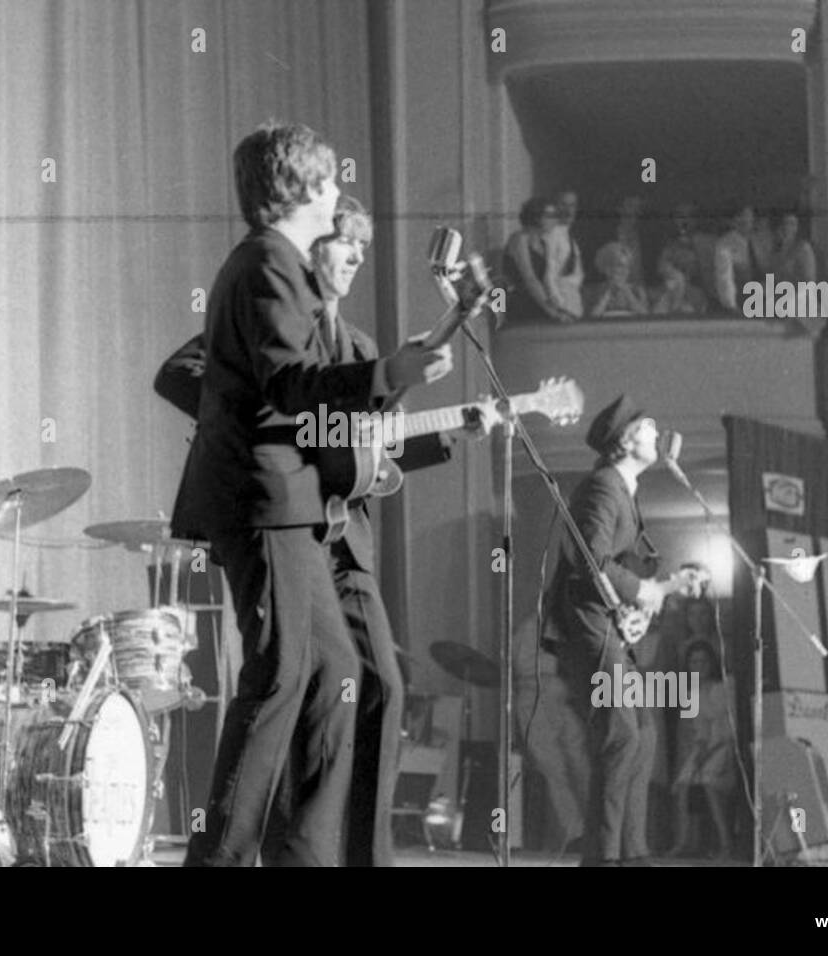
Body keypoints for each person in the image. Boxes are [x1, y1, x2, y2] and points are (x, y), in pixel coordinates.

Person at [157, 194, 475, 866]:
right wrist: (261, 423)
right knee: (292, 682)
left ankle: (345, 851)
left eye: (364, 246)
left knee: (373, 684)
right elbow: (183, 375)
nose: (358, 256)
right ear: (311, 251)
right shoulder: (270, 314)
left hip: (335, 529)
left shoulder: (355, 344)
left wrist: (446, 434)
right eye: (345, 242)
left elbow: (365, 455)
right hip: (279, 515)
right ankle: (275, 849)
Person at [543, 395, 686, 866]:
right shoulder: (605, 486)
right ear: (626, 441)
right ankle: (603, 857)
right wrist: (644, 592)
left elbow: (616, 565)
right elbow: (591, 560)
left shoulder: (623, 488)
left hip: (607, 626)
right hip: (589, 627)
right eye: (648, 426)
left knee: (640, 735)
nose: (655, 431)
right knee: (622, 736)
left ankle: (631, 852)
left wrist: (647, 598)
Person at [669, 639, 737, 860]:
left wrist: (707, 753)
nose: (699, 666)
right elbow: (701, 730)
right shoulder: (691, 692)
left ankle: (726, 845)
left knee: (708, 781)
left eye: (703, 661)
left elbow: (729, 726)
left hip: (726, 745)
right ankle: (686, 841)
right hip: (706, 747)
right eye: (694, 662)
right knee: (683, 782)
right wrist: (698, 755)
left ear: (712, 662)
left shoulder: (726, 685)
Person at [502, 197, 572, 324]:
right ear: (536, 217)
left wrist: (555, 305)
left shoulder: (544, 244)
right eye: (549, 216)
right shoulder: (519, 239)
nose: (555, 221)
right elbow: (529, 278)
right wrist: (550, 311)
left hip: (538, 299)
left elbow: (546, 279)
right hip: (520, 301)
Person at [712, 200, 772, 313]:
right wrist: (731, 306)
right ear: (733, 220)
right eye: (740, 216)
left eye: (748, 216)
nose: (745, 220)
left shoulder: (762, 241)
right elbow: (724, 277)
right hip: (743, 302)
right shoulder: (725, 244)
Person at [544, 189, 585, 321]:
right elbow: (549, 273)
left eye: (572, 205)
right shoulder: (551, 235)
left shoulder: (569, 236)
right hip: (561, 304)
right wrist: (559, 306)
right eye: (563, 204)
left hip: (574, 301)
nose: (568, 210)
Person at [590, 242, 648, 318]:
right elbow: (591, 318)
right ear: (608, 268)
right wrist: (608, 293)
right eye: (620, 266)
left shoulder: (637, 290)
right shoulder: (596, 291)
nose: (625, 271)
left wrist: (626, 291)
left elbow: (646, 317)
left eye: (628, 267)